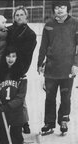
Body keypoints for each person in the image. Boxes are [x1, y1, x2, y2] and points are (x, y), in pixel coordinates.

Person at [37, 1, 78, 135]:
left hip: (67, 69)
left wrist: (76, 64)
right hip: (51, 68)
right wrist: (39, 63)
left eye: (62, 7)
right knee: (50, 97)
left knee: (66, 97)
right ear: (53, 9)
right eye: (57, 7)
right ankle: (49, 123)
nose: (59, 10)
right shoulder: (49, 25)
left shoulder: (75, 23)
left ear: (68, 8)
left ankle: (64, 119)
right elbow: (43, 46)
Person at [6, 6, 37, 134]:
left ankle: (24, 121)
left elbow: (26, 53)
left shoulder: (30, 34)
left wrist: (19, 68)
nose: (19, 17)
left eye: (21, 15)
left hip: (19, 67)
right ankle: (6, 121)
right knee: (7, 93)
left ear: (26, 17)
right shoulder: (9, 30)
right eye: (17, 15)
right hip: (6, 65)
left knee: (19, 95)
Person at [0, 47, 26, 144]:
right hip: (2, 111)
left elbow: (21, 97)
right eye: (8, 56)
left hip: (15, 112)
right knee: (3, 140)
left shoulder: (21, 75)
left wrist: (8, 106)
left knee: (17, 141)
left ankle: (18, 131)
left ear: (17, 58)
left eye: (13, 56)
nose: (10, 59)